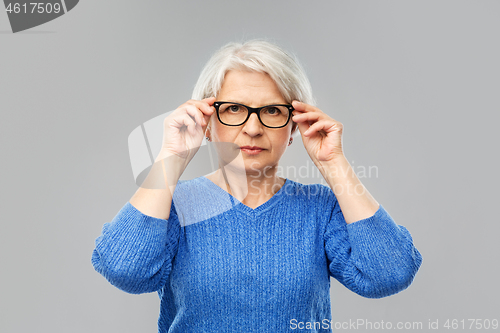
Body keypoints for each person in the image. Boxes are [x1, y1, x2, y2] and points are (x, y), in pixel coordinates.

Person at [91, 39, 422, 333]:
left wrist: (334, 163)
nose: (252, 128)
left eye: (273, 111)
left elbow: (390, 274)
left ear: (294, 127)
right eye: (234, 109)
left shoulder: (320, 208)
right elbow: (125, 271)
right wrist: (171, 157)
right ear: (207, 122)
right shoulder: (174, 206)